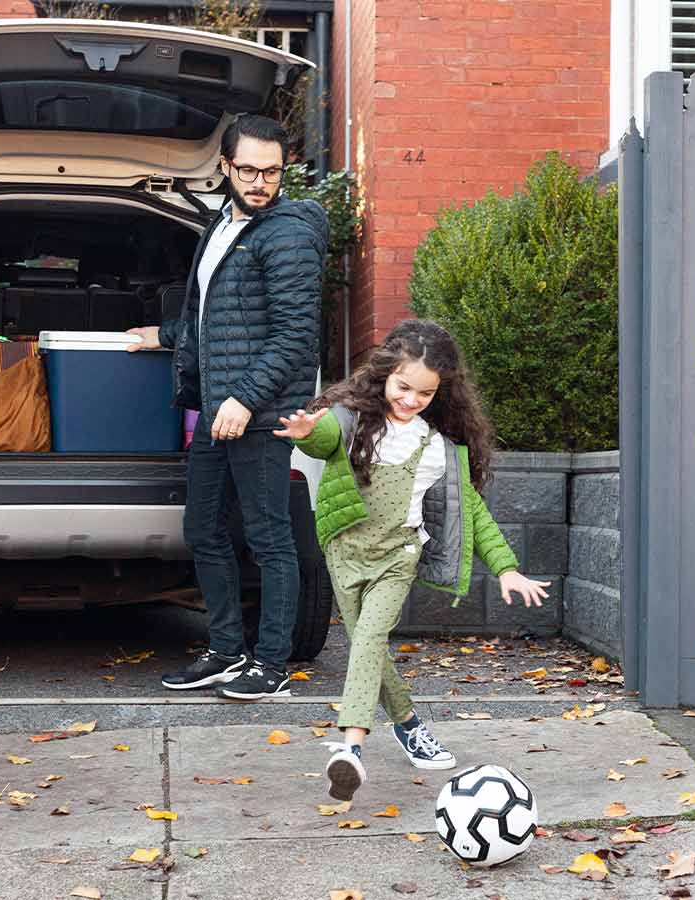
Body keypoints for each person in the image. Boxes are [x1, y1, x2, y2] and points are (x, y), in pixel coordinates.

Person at [275, 319, 551, 801]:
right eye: (403, 386)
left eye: (423, 393)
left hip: (398, 555)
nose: (409, 399)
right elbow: (323, 439)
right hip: (345, 551)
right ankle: (408, 724)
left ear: (440, 393)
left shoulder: (437, 448)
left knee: (369, 638)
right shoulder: (352, 418)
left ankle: (351, 749)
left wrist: (506, 567)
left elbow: (474, 513)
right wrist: (304, 434)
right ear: (384, 374)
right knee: (369, 649)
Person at [128, 115, 327, 701]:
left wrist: (245, 398)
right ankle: (223, 651)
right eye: (249, 170)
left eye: (272, 172)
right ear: (225, 167)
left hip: (260, 416)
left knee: (270, 540)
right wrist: (164, 336)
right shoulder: (223, 224)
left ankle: (270, 665)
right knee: (203, 530)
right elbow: (218, 317)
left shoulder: (287, 233)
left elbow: (295, 335)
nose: (261, 182)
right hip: (220, 410)